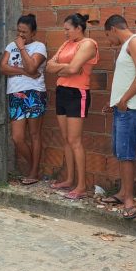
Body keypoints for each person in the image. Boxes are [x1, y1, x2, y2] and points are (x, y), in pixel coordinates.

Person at [101, 15, 136, 220]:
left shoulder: (135, 41)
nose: (108, 41)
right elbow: (127, 77)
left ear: (113, 29)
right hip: (123, 107)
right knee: (120, 151)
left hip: (131, 108)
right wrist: (114, 102)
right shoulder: (127, 46)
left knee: (126, 153)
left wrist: (124, 100)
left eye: (107, 35)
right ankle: (123, 193)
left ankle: (129, 200)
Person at [46, 13, 99, 199]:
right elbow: (48, 66)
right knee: (66, 139)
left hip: (77, 94)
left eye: (67, 29)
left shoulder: (88, 44)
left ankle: (81, 186)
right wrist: (65, 68)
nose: (65, 32)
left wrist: (61, 67)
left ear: (78, 28)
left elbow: (74, 69)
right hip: (62, 91)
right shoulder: (66, 44)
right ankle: (69, 180)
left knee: (75, 141)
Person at [0, 14, 48, 186]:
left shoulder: (39, 47)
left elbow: (33, 67)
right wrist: (24, 72)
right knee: (17, 137)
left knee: (34, 134)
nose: (20, 35)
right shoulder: (10, 45)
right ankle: (35, 167)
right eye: (18, 31)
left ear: (33, 33)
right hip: (15, 94)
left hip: (34, 93)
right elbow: (3, 67)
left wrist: (21, 48)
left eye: (25, 32)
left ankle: (33, 172)